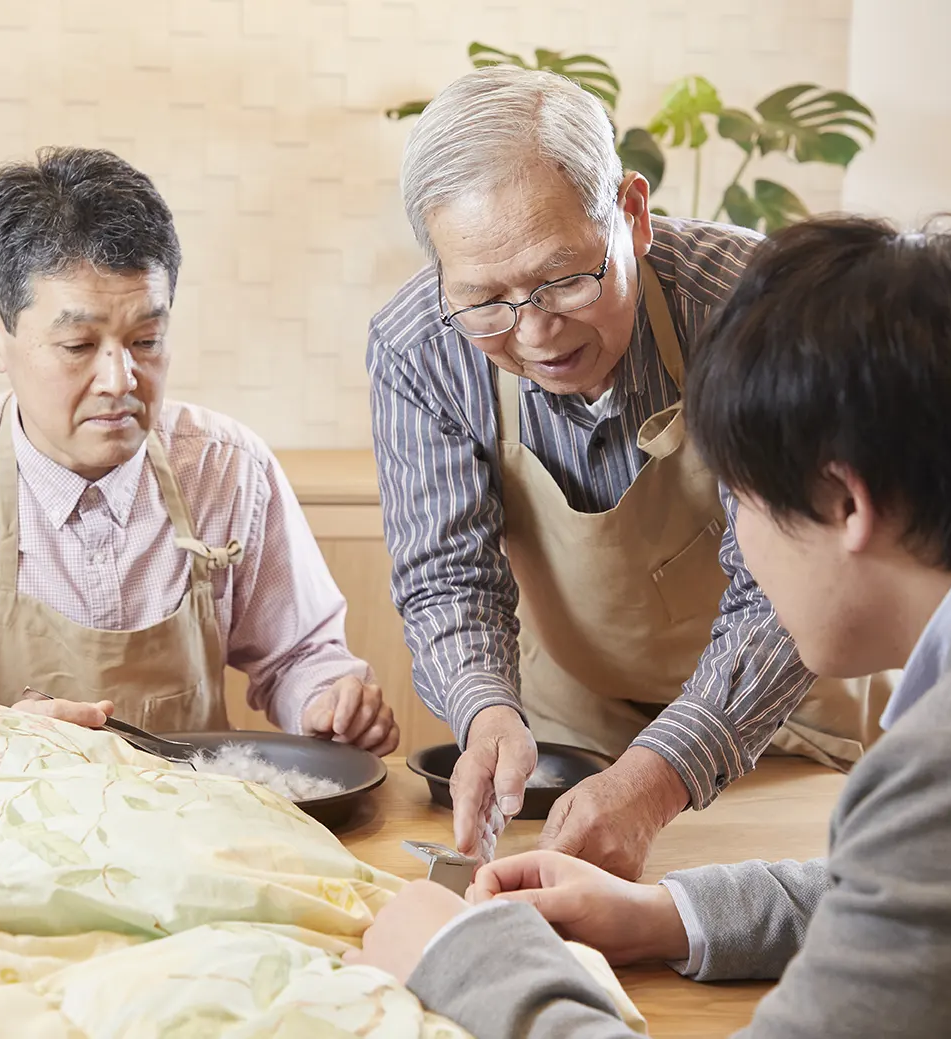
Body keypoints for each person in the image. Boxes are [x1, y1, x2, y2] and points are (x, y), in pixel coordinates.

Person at [350, 216, 951, 1037]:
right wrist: (667, 914)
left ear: (847, 502)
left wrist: (466, 955)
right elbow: (933, 889)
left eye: (733, 503)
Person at [369, 63, 888, 870]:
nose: (535, 330)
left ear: (633, 214)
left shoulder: (752, 306)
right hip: (567, 732)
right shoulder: (420, 347)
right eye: (484, 300)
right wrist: (483, 713)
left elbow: (792, 590)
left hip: (780, 719)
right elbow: (447, 576)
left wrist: (660, 774)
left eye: (564, 278)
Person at [0, 146, 398, 754]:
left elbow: (301, 653)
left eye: (147, 339)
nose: (120, 380)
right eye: (78, 345)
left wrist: (328, 699)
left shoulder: (227, 468)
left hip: (190, 830)